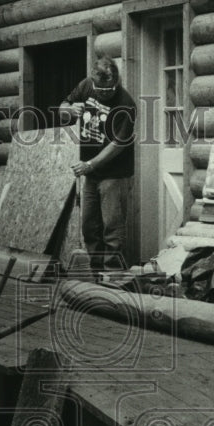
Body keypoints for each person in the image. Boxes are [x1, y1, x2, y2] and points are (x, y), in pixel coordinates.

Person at [59, 56, 136, 273]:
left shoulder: (126, 104)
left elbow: (118, 145)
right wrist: (69, 110)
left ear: (117, 82)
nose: (105, 94)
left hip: (114, 173)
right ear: (93, 83)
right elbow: (62, 107)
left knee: (112, 227)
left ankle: (112, 273)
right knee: (89, 226)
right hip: (91, 172)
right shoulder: (85, 86)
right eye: (100, 90)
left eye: (110, 89)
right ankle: (96, 272)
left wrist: (90, 165)